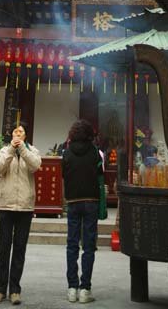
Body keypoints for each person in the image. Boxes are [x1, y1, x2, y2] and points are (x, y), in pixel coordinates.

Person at [0, 121, 42, 306]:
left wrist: (23, 150)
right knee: (3, 249)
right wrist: (12, 149)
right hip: (6, 205)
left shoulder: (33, 151)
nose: (18, 134)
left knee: (19, 249)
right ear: (12, 135)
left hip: (25, 207)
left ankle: (14, 289)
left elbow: (35, 166)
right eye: (16, 131)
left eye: (21, 132)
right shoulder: (5, 150)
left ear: (26, 135)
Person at [62, 119, 103, 304]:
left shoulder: (67, 153)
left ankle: (72, 288)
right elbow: (100, 175)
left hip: (73, 201)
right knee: (88, 246)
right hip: (91, 201)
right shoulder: (95, 152)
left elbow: (64, 174)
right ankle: (85, 288)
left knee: (72, 245)